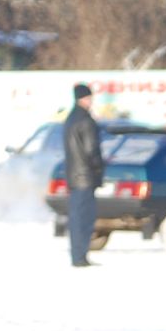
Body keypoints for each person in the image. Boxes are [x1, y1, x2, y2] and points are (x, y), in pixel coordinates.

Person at [63, 82, 105, 267]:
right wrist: (99, 168)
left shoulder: (70, 119)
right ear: (83, 98)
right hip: (86, 176)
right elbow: (91, 150)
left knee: (76, 217)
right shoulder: (86, 121)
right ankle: (80, 256)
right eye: (89, 97)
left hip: (73, 175)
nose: (91, 101)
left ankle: (77, 254)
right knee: (85, 218)